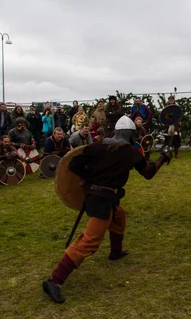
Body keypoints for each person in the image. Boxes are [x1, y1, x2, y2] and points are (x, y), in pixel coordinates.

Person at [42, 116, 173, 303]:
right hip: (101, 201)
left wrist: (90, 178)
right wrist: (163, 157)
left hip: (103, 197)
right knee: (90, 241)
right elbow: (148, 173)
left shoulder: (96, 146)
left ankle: (116, 251)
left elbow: (73, 164)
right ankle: (54, 280)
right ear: (129, 134)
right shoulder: (130, 151)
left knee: (119, 215)